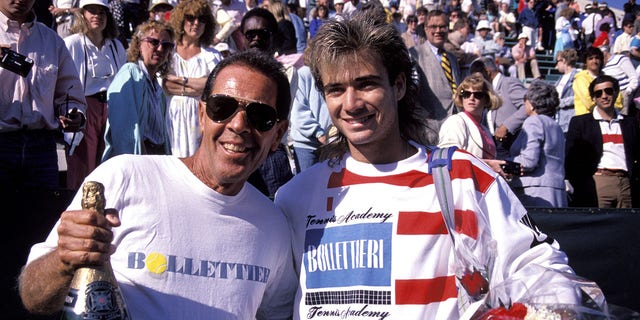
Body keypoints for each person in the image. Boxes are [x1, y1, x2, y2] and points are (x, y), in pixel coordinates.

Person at [275, 15, 588, 319]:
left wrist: (548, 311)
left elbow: (540, 268)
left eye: (366, 84)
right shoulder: (295, 197)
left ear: (398, 86)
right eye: (336, 90)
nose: (352, 103)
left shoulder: (463, 177)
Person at [18, 50, 297, 319]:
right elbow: (34, 296)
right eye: (222, 108)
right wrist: (65, 260)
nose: (238, 125)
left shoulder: (274, 225)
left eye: (260, 116)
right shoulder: (124, 177)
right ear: (202, 115)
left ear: (278, 134)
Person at [0, 0, 86, 190]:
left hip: (41, 150)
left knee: (43, 216)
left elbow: (70, 92)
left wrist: (75, 115)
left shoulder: (51, 40)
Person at [63, 0, 126, 190]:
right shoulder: (72, 43)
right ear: (82, 14)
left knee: (107, 162)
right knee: (82, 165)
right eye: (92, 11)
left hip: (111, 108)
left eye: (102, 12)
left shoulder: (115, 46)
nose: (97, 16)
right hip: (85, 107)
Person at [240, 7, 295, 198]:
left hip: (271, 153)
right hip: (241, 150)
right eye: (250, 34)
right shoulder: (234, 73)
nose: (256, 39)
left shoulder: (286, 73)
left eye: (262, 33)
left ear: (273, 37)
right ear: (243, 38)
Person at [102, 20, 175, 161]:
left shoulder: (158, 88)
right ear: (138, 44)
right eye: (153, 42)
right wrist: (140, 163)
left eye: (166, 45)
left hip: (156, 156)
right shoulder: (130, 74)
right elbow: (125, 131)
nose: (160, 49)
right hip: (138, 158)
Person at [565, 75, 640, 208]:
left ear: (616, 93)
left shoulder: (631, 122)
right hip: (598, 182)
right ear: (593, 98)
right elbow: (571, 159)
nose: (604, 96)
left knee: (625, 227)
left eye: (608, 91)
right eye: (598, 93)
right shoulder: (580, 123)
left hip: (626, 182)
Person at [163, 0, 222, 157]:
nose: (196, 23)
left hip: (200, 120)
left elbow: (213, 86)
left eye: (202, 19)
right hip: (170, 116)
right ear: (181, 19)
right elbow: (164, 84)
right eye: (190, 18)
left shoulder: (212, 55)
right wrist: (198, 86)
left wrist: (179, 81)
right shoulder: (168, 51)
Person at [508, 80, 568, 208]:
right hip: (557, 191)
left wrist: (503, 163)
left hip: (536, 192)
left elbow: (529, 161)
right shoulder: (556, 126)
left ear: (532, 104)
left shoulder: (533, 122)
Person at [413, 10, 463, 141]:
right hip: (430, 129)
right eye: (433, 27)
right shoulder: (414, 55)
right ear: (425, 28)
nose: (438, 30)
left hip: (455, 128)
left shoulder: (451, 58)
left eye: (442, 27)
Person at [469, 56, 528, 160]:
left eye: (478, 77)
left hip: (510, 142)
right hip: (492, 142)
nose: (477, 82)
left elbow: (528, 106)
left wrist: (506, 126)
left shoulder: (509, 83)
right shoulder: (488, 88)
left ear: (487, 71)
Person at [438, 72, 502, 162]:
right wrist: (489, 164)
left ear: (486, 99)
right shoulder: (455, 121)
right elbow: (449, 156)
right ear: (461, 97)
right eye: (466, 94)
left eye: (478, 95)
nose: (471, 98)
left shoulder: (485, 129)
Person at [554, 48, 580, 134]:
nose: (556, 65)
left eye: (557, 61)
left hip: (569, 118)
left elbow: (578, 97)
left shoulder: (577, 76)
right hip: (559, 118)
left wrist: (561, 103)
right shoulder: (561, 78)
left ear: (564, 61)